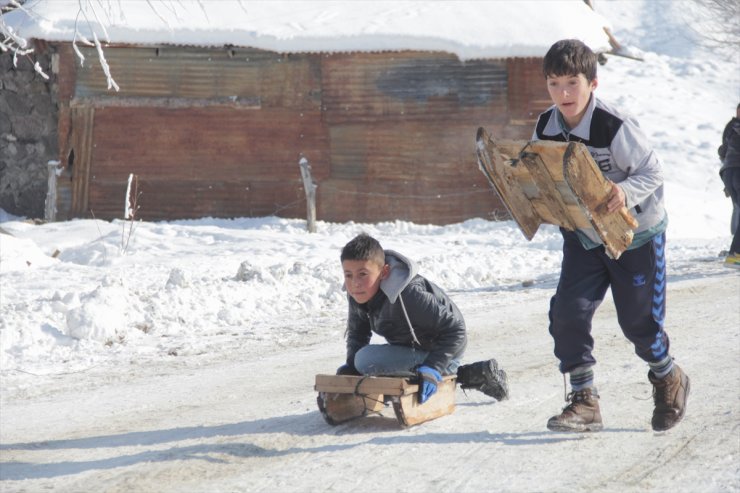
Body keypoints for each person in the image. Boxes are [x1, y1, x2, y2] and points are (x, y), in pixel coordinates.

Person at [531, 39, 689, 432]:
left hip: (635, 236)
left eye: (572, 83)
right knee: (568, 312)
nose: (563, 94)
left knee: (638, 323)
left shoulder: (614, 125)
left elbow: (652, 173)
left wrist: (622, 192)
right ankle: (585, 401)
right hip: (584, 236)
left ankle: (668, 376)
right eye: (554, 84)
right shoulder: (546, 126)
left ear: (593, 83)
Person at [337, 232, 508, 404]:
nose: (355, 283)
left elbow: (456, 330)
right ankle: (475, 372)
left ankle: (452, 370)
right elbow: (358, 333)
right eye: (348, 275)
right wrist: (350, 369)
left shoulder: (409, 294)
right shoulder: (358, 293)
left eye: (363, 274)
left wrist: (433, 368)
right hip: (412, 348)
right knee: (360, 360)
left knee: (366, 360)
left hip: (445, 349)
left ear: (384, 272)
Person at [718, 103, 740, 267]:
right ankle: (735, 255)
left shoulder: (731, 127)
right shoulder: (733, 126)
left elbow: (722, 151)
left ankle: (735, 253)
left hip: (728, 171)